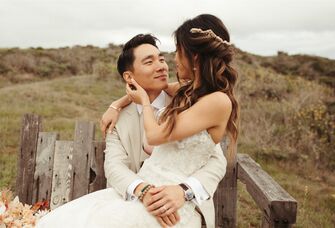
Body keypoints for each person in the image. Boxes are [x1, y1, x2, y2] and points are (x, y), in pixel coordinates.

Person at [37, 14, 238, 228]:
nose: (163, 65)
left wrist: (183, 191)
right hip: (135, 200)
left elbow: (217, 160)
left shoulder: (190, 100)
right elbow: (114, 166)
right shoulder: (118, 120)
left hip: (182, 208)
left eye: (162, 58)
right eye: (149, 61)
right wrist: (143, 191)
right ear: (129, 77)